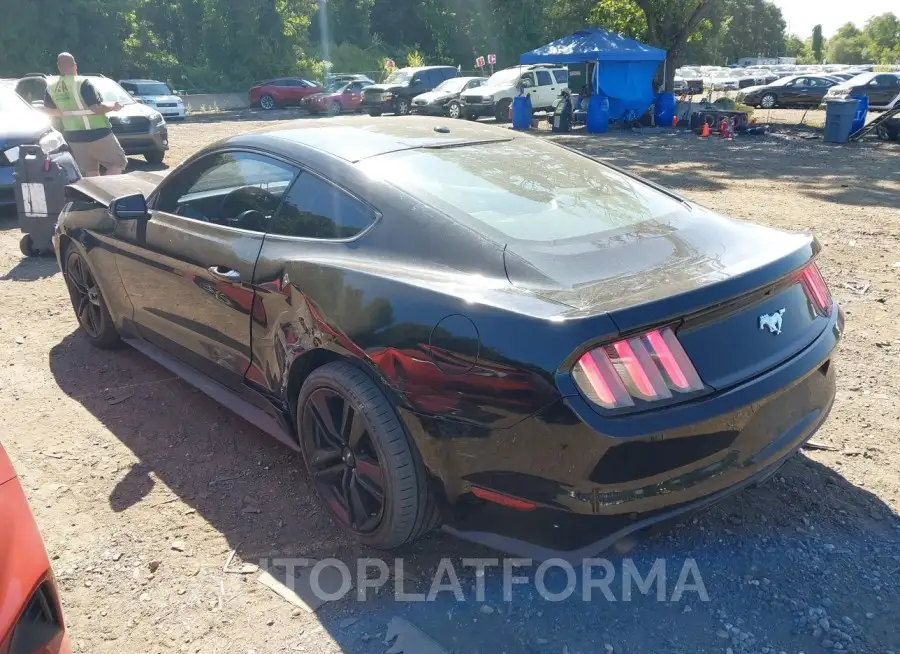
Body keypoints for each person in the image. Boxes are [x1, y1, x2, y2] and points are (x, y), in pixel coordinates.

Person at [42, 52, 128, 177]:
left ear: (59, 67)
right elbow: (96, 108)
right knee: (116, 163)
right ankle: (110, 194)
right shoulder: (82, 82)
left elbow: (48, 110)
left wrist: (67, 112)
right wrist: (114, 106)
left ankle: (94, 195)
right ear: (75, 66)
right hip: (98, 133)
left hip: (74, 137)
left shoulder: (51, 86)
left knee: (90, 170)